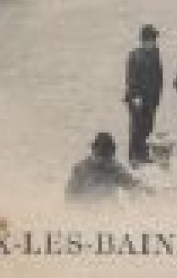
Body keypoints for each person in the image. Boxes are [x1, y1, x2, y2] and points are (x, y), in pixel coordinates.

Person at [125, 24, 163, 165]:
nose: (153, 42)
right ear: (143, 40)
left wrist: (157, 97)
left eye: (154, 40)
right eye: (150, 40)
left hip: (151, 99)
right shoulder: (135, 56)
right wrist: (135, 97)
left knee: (148, 127)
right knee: (136, 127)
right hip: (137, 99)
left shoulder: (155, 54)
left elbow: (159, 76)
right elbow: (131, 78)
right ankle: (134, 156)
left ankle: (143, 153)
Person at [66, 132, 140, 202]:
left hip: (107, 210)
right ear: (94, 150)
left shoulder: (115, 169)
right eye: (101, 154)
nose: (103, 159)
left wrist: (146, 190)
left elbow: (132, 184)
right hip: (85, 209)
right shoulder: (81, 169)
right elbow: (69, 196)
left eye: (107, 155)